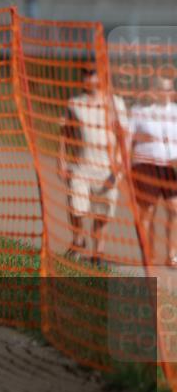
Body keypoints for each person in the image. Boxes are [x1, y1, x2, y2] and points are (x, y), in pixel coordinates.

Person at [57, 67, 128, 264]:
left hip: (108, 169)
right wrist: (61, 159)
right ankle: (78, 240)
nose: (87, 76)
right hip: (81, 166)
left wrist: (121, 165)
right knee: (76, 206)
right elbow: (65, 132)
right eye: (85, 72)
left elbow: (124, 137)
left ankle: (98, 254)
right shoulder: (75, 104)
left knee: (102, 213)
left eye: (92, 72)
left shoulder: (116, 104)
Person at [129, 76, 177, 266]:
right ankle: (148, 252)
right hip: (145, 165)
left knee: (174, 209)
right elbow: (127, 138)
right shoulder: (140, 111)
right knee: (147, 212)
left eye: (169, 89)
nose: (165, 93)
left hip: (171, 167)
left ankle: (172, 253)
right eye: (162, 89)